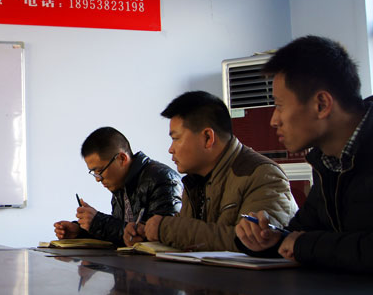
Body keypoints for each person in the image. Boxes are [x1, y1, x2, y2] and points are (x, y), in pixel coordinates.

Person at [235, 36, 373, 272]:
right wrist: (268, 239)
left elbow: (304, 243)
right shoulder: (327, 161)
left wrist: (305, 245)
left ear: (322, 104)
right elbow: (300, 233)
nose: (273, 120)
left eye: (279, 105)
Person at [125, 91, 296, 251]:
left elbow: (256, 243)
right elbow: (189, 233)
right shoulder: (196, 179)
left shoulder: (262, 175)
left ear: (208, 138)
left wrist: (165, 229)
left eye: (176, 138)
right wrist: (146, 235)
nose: (171, 149)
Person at [53, 127, 182, 246]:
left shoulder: (163, 179)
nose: (98, 179)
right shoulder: (121, 185)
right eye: (94, 173)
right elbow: (121, 235)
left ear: (122, 158)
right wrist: (81, 231)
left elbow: (159, 239)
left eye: (100, 171)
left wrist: (97, 222)